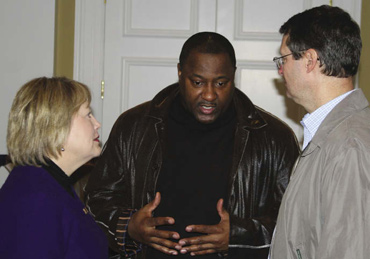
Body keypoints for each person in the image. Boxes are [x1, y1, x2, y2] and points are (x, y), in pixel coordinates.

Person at [85, 31, 299, 259]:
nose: (209, 94)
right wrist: (129, 226)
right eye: (197, 82)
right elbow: (96, 198)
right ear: (180, 72)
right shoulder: (135, 126)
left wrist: (238, 236)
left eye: (221, 83)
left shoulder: (273, 137)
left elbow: (296, 219)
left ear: (233, 76)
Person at [269, 5, 370, 259]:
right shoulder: (329, 133)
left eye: (284, 59)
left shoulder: (348, 147)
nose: (280, 71)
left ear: (310, 60)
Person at [0, 77, 108, 258]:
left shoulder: (51, 183)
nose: (97, 123)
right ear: (58, 126)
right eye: (87, 114)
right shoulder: (34, 199)